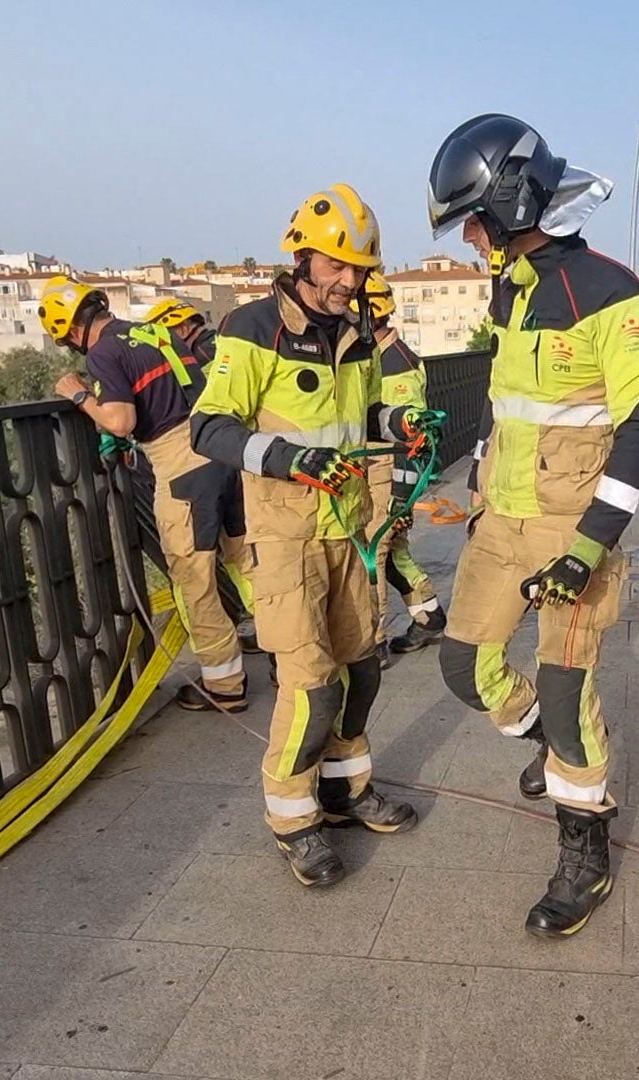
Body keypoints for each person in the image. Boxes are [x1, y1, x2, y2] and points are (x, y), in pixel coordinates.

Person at [428, 114, 639, 939]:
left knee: (570, 697)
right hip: (500, 523)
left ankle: (584, 848)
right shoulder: (512, 287)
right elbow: (510, 412)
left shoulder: (612, 293)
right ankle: (545, 743)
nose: (466, 238)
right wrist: (474, 492)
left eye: (470, 219)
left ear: (509, 201)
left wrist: (591, 546)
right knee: (465, 668)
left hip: (576, 532)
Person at [190, 184, 440, 888]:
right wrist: (289, 459)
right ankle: (293, 819)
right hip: (289, 541)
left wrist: (399, 428)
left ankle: (345, 790)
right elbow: (209, 428)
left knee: (362, 668)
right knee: (310, 686)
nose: (348, 282)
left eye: (359, 270)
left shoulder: (356, 333)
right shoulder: (251, 327)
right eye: (336, 266)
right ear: (300, 256)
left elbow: (357, 425)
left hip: (350, 533)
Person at [42, 278, 249, 714]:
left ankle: (224, 681)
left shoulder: (103, 353)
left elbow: (120, 420)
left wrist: (79, 394)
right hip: (223, 449)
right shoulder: (152, 331)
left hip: (180, 464)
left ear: (69, 330)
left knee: (194, 577)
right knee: (247, 559)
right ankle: (287, 652)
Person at [145, 299, 257, 646]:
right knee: (245, 559)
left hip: (203, 463)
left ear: (179, 328)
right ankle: (276, 643)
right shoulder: (220, 345)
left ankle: (221, 672)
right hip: (238, 462)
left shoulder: (204, 356)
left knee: (193, 573)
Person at [352, 273, 447, 665]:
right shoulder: (378, 357)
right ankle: (428, 617)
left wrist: (401, 499)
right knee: (393, 552)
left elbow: (409, 436)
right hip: (380, 475)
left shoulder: (397, 365)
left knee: (370, 557)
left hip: (391, 477)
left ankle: (371, 645)